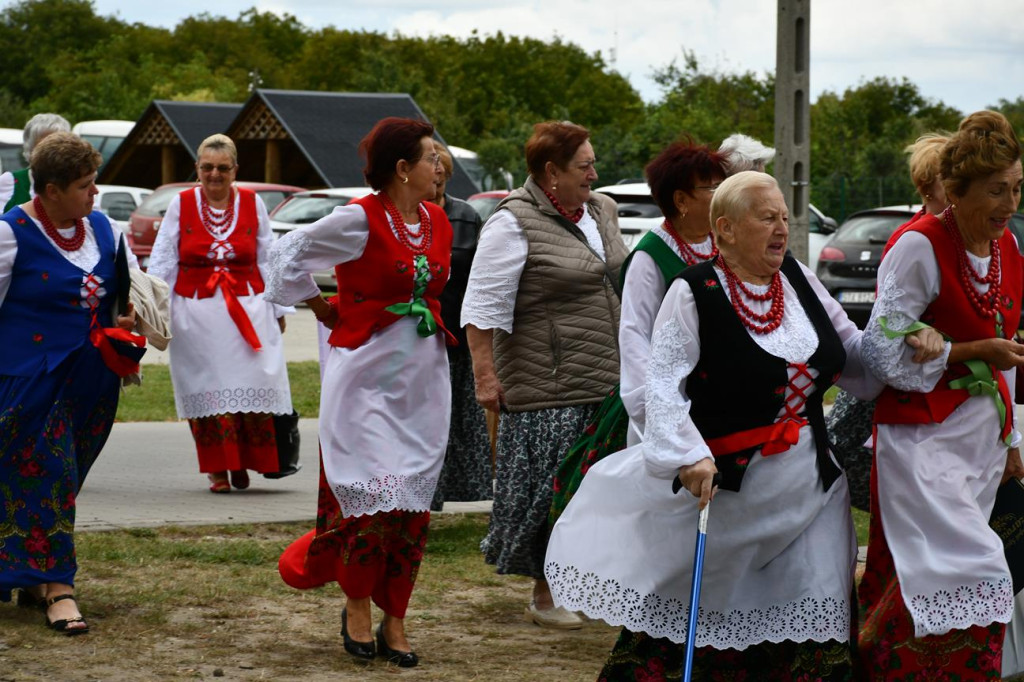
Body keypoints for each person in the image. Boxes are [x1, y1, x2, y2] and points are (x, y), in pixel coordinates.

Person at [545, 171, 944, 679]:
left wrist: (912, 343)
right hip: (730, 490)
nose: (781, 228)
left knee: (814, 615)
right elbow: (661, 385)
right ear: (726, 229)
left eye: (784, 217)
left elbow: (856, 357)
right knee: (705, 620)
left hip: (811, 491)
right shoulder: (694, 293)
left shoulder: (800, 280)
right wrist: (687, 454)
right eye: (766, 217)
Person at [267, 117, 450, 668]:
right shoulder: (359, 218)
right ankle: (356, 607)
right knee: (371, 502)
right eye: (428, 158)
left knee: (410, 510)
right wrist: (322, 308)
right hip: (365, 379)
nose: (438, 166)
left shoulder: (438, 220)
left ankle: (396, 616)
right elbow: (284, 255)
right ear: (401, 169)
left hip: (423, 380)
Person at [858, 110, 1024, 680]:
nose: (1010, 203)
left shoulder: (1008, 250)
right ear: (956, 191)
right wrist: (966, 351)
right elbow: (879, 353)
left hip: (978, 447)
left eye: (1017, 188)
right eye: (997, 190)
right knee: (965, 572)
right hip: (920, 445)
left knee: (946, 578)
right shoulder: (919, 247)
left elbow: (1004, 358)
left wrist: (1012, 439)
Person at [461, 120, 629, 629]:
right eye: (585, 166)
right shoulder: (512, 222)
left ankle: (586, 584)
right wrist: (486, 378)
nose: (594, 174)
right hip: (546, 385)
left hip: (606, 377)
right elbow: (482, 305)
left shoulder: (601, 210)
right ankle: (545, 592)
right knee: (550, 492)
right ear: (551, 172)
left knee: (598, 491)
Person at [0, 132, 139, 635]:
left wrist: (128, 319)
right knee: (49, 476)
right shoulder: (11, 233)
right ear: (50, 190)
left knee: (65, 478)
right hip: (32, 381)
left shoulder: (102, 227)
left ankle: (31, 575)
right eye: (84, 186)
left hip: (93, 380)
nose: (94, 194)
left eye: (94, 182)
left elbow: (124, 292)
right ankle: (59, 588)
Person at [148, 134, 292, 493]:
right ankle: (218, 468)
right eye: (207, 167)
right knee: (208, 387)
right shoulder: (181, 204)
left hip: (248, 309)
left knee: (252, 383)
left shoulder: (252, 202)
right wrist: (154, 309)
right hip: (196, 313)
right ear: (197, 169)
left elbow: (268, 256)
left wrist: (279, 307)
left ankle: (245, 461)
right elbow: (164, 257)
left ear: (235, 170)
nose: (215, 174)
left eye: (223, 168)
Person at [826, 132, 951, 512]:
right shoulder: (913, 239)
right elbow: (892, 317)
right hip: (897, 382)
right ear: (926, 188)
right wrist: (922, 330)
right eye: (951, 184)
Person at [429, 144, 491, 511]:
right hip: (419, 337)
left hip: (456, 335)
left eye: (442, 172)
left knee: (456, 422)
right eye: (430, 169)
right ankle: (422, 496)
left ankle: (447, 493)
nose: (435, 177)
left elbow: (480, 277)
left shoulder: (466, 217)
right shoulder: (404, 216)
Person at [0, 113, 72, 211]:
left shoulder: (77, 184)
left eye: (60, 145)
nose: (53, 153)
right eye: (45, 146)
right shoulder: (10, 182)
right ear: (31, 148)